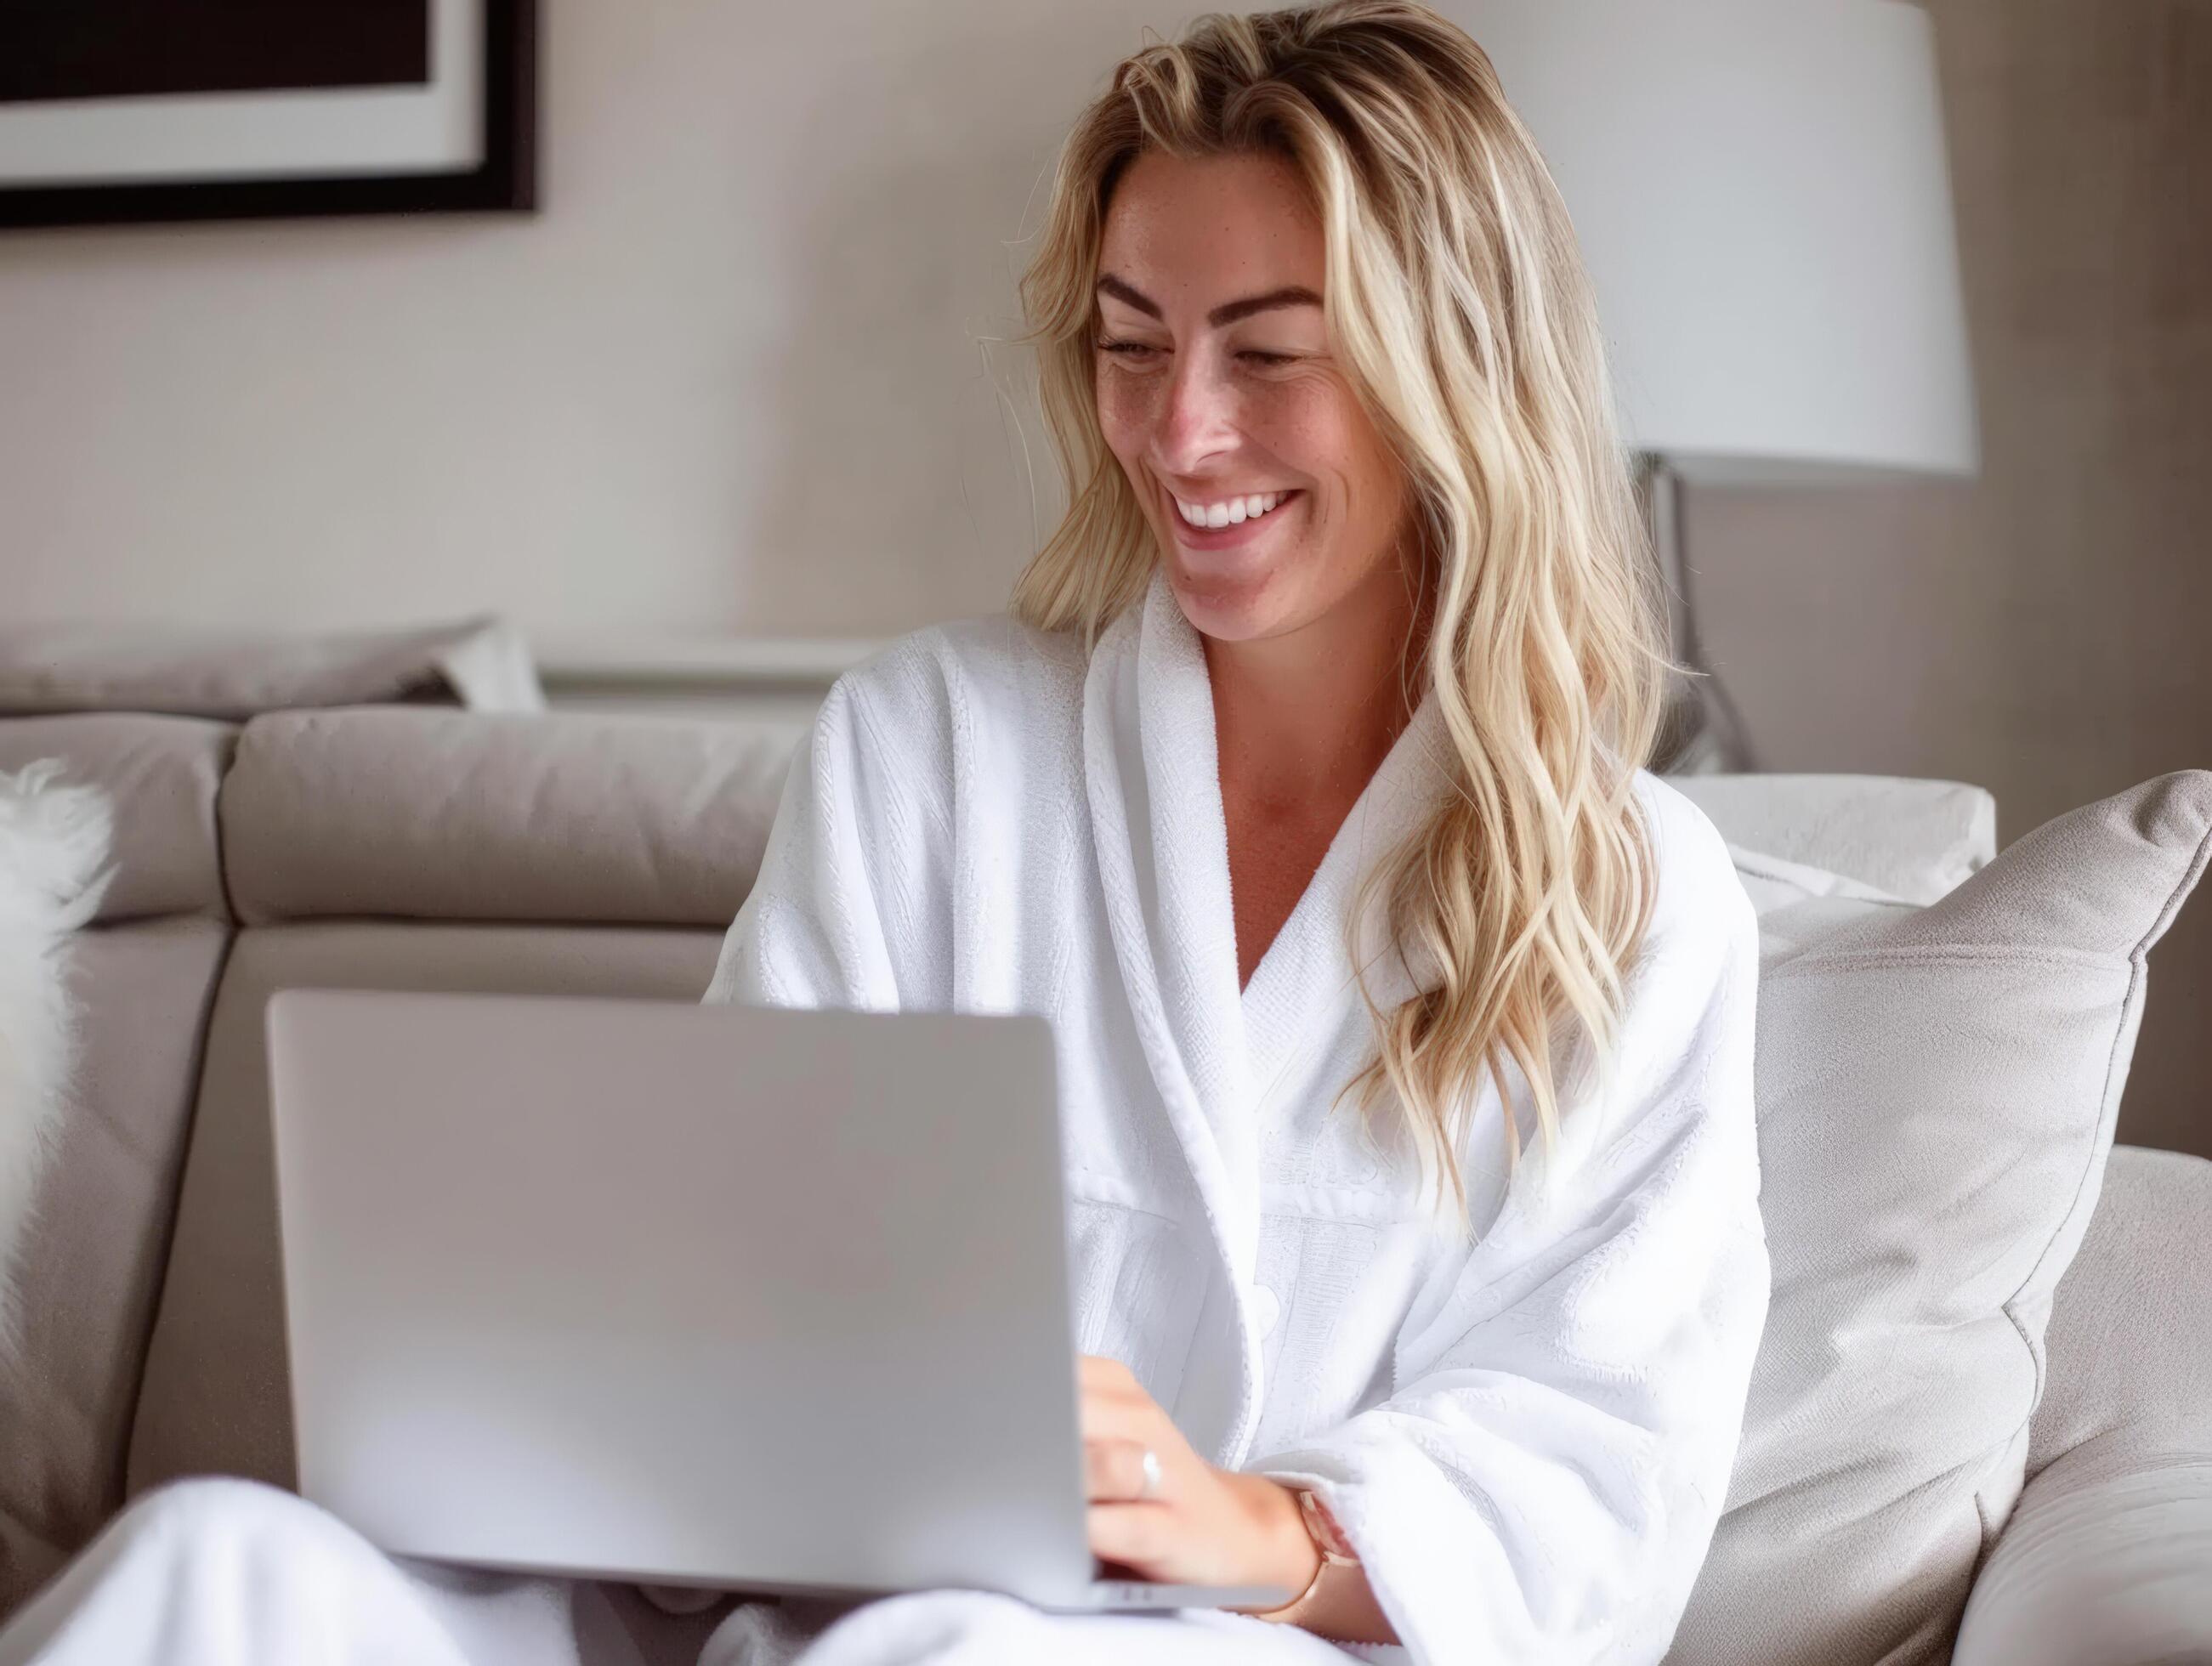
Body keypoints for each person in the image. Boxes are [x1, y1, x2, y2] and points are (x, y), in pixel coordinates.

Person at [0, 3, 1767, 1663]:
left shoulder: (1628, 895)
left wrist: (1253, 1525)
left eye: (1269, 352)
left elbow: (1602, 1452)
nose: (1177, 428)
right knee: (214, 1561)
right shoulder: (936, 745)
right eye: (1130, 341)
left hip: (1234, 1644)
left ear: (1450, 374)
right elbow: (746, 1266)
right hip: (809, 1605)